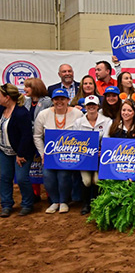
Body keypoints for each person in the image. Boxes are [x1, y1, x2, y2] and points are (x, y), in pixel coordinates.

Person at [33, 89, 83, 214]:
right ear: (52, 100)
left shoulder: (77, 113)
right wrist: (42, 153)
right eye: (56, 99)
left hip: (68, 154)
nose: (59, 102)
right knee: (48, 175)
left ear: (68, 100)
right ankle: (55, 201)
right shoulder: (43, 114)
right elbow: (37, 136)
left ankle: (64, 201)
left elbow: (82, 134)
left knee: (64, 175)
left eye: (62, 99)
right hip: (49, 154)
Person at [73, 95, 113, 215]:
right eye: (89, 105)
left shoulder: (106, 121)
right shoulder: (78, 122)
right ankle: (85, 204)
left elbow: (107, 139)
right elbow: (75, 140)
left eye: (93, 105)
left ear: (98, 106)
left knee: (96, 180)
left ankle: (96, 203)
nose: (91, 107)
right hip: (85, 158)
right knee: (86, 181)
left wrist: (103, 150)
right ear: (85, 107)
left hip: (99, 157)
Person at [0, 83, 35, 217]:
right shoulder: (1, 109)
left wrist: (20, 154)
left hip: (21, 151)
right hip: (4, 150)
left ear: (7, 97)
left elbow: (26, 136)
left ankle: (27, 204)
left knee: (21, 178)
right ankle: (6, 205)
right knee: (4, 177)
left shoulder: (21, 113)